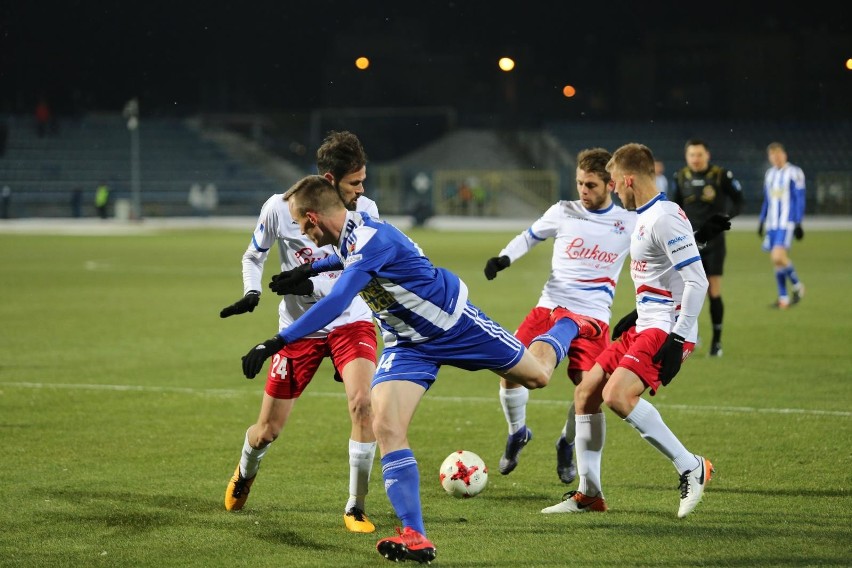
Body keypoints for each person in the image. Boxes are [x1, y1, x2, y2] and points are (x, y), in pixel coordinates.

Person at [244, 174, 600, 564]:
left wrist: (277, 341)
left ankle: (567, 323)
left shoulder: (369, 237)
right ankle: (416, 534)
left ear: (312, 218)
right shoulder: (351, 235)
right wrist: (311, 270)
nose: (297, 231)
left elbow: (339, 298)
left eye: (298, 222)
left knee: (538, 376)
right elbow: (348, 257)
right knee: (385, 425)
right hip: (407, 344)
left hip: (453, 323)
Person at [541, 142, 714, 519]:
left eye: (616, 183)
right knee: (586, 392)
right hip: (647, 324)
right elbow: (663, 274)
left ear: (630, 179)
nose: (614, 191)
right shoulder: (647, 216)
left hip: (666, 329)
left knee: (618, 396)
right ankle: (590, 494)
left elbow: (696, 281)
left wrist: (679, 338)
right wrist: (637, 314)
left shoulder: (663, 217)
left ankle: (691, 466)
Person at [219, 131, 381, 534]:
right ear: (330, 180)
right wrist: (252, 291)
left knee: (364, 405)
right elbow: (254, 253)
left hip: (350, 320)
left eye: (363, 182)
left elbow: (360, 272)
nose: (362, 192)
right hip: (298, 329)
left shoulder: (367, 211)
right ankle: (245, 469)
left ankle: (355, 506)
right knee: (266, 431)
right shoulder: (280, 207)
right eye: (354, 183)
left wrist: (309, 284)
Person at [483, 148, 635, 485]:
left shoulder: (628, 222)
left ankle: (566, 443)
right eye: (580, 183)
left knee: (589, 392)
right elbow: (530, 236)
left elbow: (660, 247)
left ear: (610, 185)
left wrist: (701, 237)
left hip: (593, 317)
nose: (583, 190)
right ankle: (517, 431)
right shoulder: (563, 211)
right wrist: (504, 259)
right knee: (508, 369)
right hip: (549, 307)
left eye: (591, 185)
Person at [670, 139, 744, 357]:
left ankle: (717, 342)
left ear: (707, 155)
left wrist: (725, 218)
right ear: (687, 157)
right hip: (688, 243)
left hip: (714, 243)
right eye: (692, 155)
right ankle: (689, 335)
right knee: (683, 292)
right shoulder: (680, 177)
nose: (695, 159)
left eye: (699, 155)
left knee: (713, 291)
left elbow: (739, 201)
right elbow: (675, 207)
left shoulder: (721, 175)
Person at [759, 142, 806, 309]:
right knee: (777, 262)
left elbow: (799, 198)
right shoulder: (770, 174)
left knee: (778, 256)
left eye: (778, 155)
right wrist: (761, 220)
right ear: (770, 157)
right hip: (772, 224)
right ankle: (783, 298)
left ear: (784, 155)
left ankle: (798, 286)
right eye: (773, 155)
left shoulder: (795, 173)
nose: (776, 158)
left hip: (786, 222)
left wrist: (799, 221)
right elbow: (767, 200)